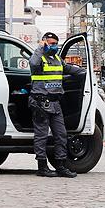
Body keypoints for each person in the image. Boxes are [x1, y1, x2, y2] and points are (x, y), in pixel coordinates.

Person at [29, 32, 85, 178]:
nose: (54, 46)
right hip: (40, 102)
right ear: (44, 43)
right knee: (41, 136)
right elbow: (33, 64)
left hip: (55, 103)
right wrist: (40, 48)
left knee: (61, 135)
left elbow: (68, 69)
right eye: (51, 43)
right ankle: (42, 167)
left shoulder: (57, 59)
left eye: (55, 43)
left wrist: (86, 73)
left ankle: (60, 166)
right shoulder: (38, 57)